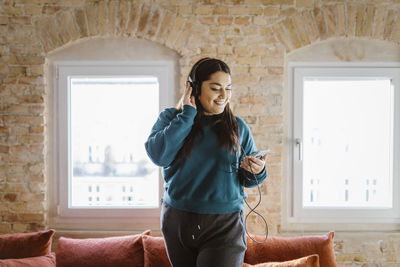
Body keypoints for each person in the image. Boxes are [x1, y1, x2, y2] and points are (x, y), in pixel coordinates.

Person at [145, 57, 268, 267]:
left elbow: (248, 179)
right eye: (215, 88)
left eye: (228, 88)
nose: (224, 96)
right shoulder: (170, 119)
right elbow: (159, 156)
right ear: (193, 88)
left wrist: (257, 170)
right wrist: (187, 115)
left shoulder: (237, 127)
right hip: (178, 221)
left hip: (225, 224)